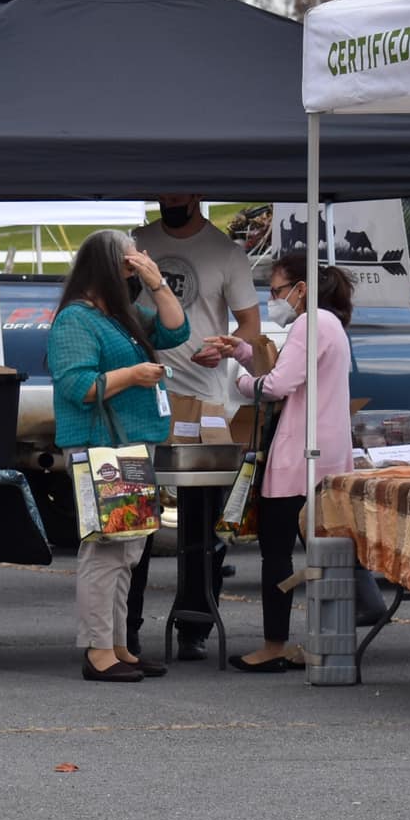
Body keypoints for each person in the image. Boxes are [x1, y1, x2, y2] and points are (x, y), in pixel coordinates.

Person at [47, 229, 189, 683]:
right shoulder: (76, 320)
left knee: (128, 551)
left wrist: (157, 282)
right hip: (101, 445)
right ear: (104, 267)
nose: (133, 267)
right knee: (105, 552)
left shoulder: (121, 316)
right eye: (126, 262)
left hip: (128, 444)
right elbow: (78, 385)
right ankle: (97, 649)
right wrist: (132, 374)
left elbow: (176, 328)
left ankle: (118, 644)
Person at [126, 195, 260, 661]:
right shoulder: (139, 242)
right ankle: (128, 629)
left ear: (197, 194)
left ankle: (195, 626)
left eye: (178, 193)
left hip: (204, 399)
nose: (170, 201)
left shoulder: (226, 252)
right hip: (142, 392)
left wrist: (226, 346)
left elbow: (251, 326)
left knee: (202, 524)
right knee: (136, 517)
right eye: (163, 194)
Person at [219, 253, 358, 672]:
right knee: (327, 551)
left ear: (301, 288)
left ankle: (274, 643)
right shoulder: (327, 324)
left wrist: (240, 382)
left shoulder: (309, 323)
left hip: (301, 454)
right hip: (327, 451)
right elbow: (287, 370)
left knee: (276, 553)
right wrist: (244, 350)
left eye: (276, 290)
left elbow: (278, 383)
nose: (272, 299)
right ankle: (328, 638)